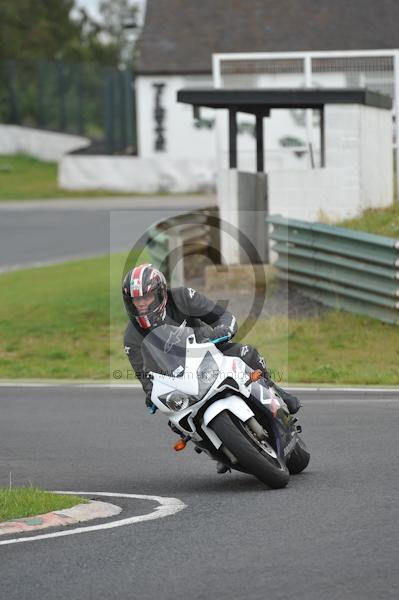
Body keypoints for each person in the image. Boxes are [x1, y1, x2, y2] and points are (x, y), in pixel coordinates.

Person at [123, 263, 301, 412]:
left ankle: (275, 391)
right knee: (174, 419)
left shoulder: (182, 297)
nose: (141, 304)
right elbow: (145, 376)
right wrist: (151, 394)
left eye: (146, 297)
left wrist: (223, 330)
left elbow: (222, 316)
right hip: (177, 378)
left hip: (209, 350)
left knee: (246, 353)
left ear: (160, 292)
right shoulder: (131, 336)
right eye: (135, 300)